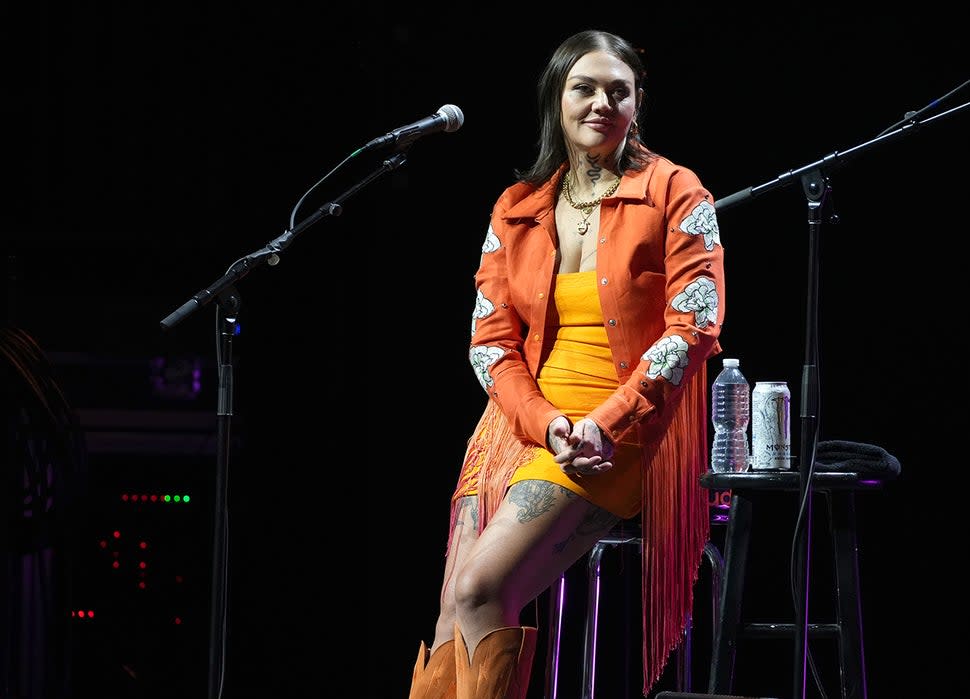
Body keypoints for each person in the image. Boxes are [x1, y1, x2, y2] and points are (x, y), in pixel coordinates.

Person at [407, 28, 725, 699]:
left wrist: (603, 422)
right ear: (558, 99)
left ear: (639, 103)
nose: (600, 102)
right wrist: (545, 421)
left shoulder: (677, 191)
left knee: (479, 588)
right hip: (524, 423)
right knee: (448, 617)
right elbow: (491, 342)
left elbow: (695, 325)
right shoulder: (517, 207)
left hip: (620, 430)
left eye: (619, 90)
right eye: (584, 87)